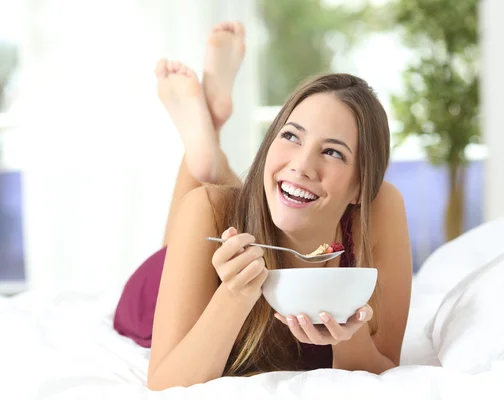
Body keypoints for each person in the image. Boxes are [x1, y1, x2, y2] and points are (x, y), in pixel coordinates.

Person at [113, 21, 413, 391]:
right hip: (163, 284)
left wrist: (347, 335)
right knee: (208, 209)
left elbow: (385, 363)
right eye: (291, 136)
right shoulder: (208, 208)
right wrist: (235, 294)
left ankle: (209, 144)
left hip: (248, 210)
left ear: (361, 187)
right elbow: (166, 384)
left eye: (333, 152)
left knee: (235, 201)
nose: (303, 165)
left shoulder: (379, 209)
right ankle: (207, 151)